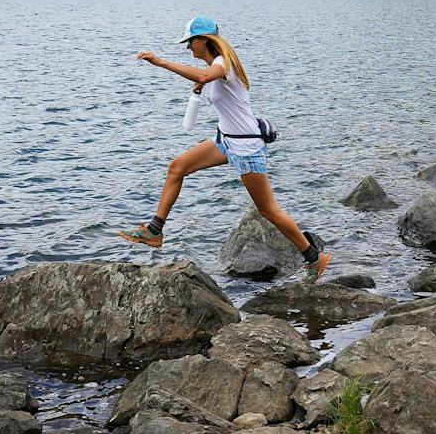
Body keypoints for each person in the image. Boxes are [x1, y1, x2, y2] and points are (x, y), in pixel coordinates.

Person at [118, 15, 331, 282]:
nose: (187, 48)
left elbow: (209, 74)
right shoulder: (216, 68)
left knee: (268, 210)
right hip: (226, 140)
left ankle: (314, 257)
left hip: (245, 147)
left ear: (203, 40)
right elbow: (212, 80)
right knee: (177, 167)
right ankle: (154, 231)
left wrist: (161, 62)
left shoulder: (222, 64)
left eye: (189, 42)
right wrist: (204, 84)